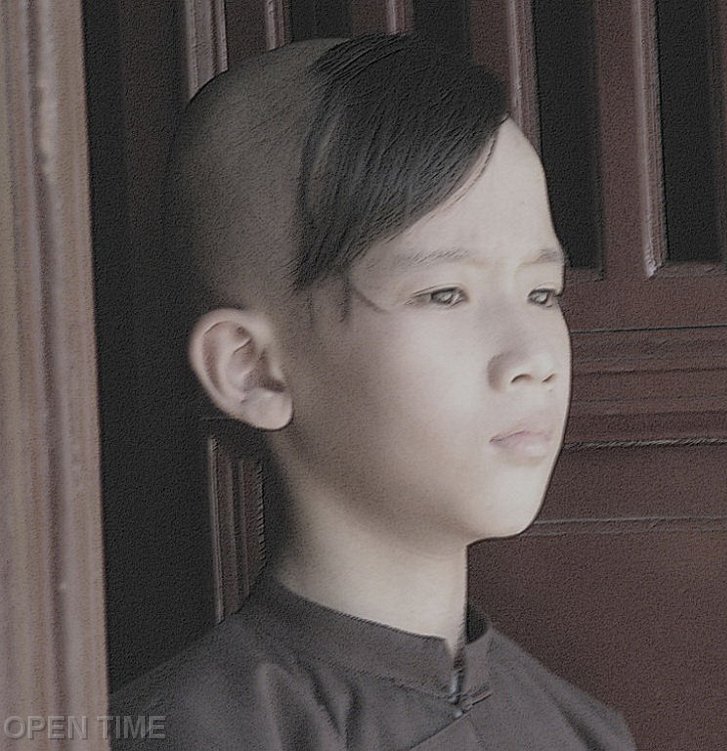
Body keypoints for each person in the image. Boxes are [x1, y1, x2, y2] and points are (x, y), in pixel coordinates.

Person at [110, 33, 636, 750]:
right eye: (445, 293)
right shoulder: (183, 733)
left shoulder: (584, 731)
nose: (533, 358)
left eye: (542, 292)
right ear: (252, 369)